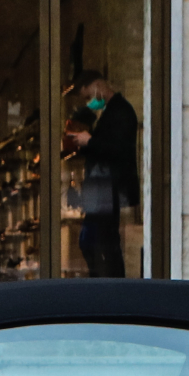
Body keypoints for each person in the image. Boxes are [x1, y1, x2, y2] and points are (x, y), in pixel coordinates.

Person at [63, 74, 139, 277]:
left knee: (100, 243)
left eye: (88, 96)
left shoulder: (121, 112)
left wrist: (90, 142)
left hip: (108, 191)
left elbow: (119, 150)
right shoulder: (110, 112)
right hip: (102, 191)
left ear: (97, 86)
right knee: (99, 242)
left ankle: (110, 285)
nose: (89, 102)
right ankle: (107, 284)